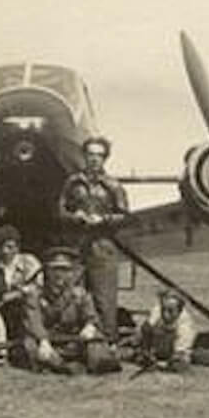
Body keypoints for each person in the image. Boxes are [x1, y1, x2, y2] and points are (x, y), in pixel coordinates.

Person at [57, 135, 130, 342]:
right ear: (84, 156)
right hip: (76, 246)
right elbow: (60, 211)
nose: (94, 159)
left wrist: (104, 219)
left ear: (105, 158)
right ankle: (70, 339)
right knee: (72, 294)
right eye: (90, 154)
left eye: (99, 155)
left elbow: (125, 216)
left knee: (104, 298)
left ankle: (107, 342)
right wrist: (75, 217)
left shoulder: (113, 186)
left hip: (103, 246)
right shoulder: (73, 183)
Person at [10, 247, 121, 375]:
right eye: (55, 269)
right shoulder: (35, 295)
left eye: (64, 269)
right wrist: (43, 341)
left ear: (71, 273)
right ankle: (61, 365)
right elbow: (34, 321)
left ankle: (92, 362)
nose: (59, 274)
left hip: (73, 340)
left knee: (96, 341)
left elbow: (91, 316)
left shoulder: (79, 294)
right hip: (48, 341)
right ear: (47, 271)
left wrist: (89, 326)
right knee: (30, 346)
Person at [0, 223, 42, 336]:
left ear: (17, 247)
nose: (5, 251)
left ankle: (38, 337)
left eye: (9, 247)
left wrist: (18, 293)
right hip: (3, 309)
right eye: (1, 247)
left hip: (30, 308)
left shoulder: (29, 262)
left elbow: (38, 287)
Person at [135, 288, 197, 372]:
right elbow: (146, 327)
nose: (165, 314)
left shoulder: (185, 327)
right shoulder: (159, 309)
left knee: (179, 365)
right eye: (163, 309)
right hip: (156, 348)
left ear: (179, 311)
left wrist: (160, 364)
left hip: (174, 354)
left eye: (171, 311)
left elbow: (179, 355)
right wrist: (146, 351)